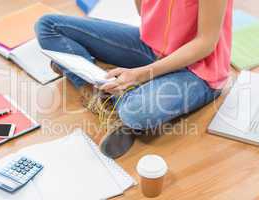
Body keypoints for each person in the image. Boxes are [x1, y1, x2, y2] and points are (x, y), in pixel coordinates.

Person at [35, 0, 233, 159]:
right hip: (152, 48)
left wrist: (141, 74)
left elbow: (206, 43)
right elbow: (144, 14)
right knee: (48, 26)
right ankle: (100, 89)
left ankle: (96, 76)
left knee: (136, 111)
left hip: (199, 70)